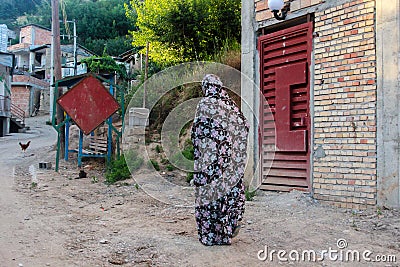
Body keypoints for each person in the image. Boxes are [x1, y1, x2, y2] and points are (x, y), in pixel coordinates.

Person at [191, 74, 249, 246]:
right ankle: (225, 234)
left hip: (209, 162)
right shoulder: (230, 104)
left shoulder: (205, 104)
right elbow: (244, 126)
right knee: (225, 194)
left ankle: (209, 236)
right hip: (227, 161)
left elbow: (197, 132)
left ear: (206, 87)